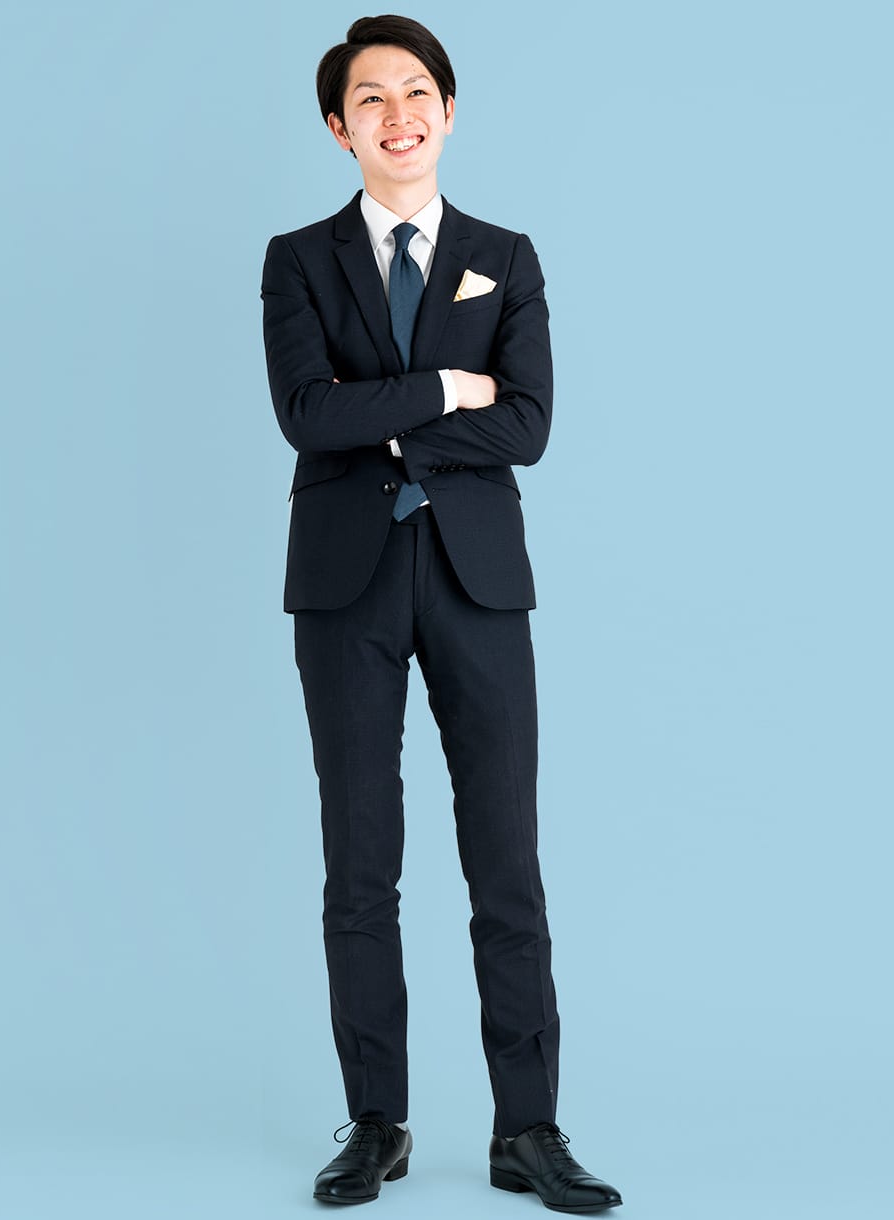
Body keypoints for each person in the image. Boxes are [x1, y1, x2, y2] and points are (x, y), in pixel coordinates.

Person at [258, 14, 622, 1213]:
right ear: (338, 127)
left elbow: (529, 424)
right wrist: (447, 387)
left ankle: (528, 1127)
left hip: (476, 581)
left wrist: (389, 418)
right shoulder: (296, 260)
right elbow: (304, 414)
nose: (397, 114)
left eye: (417, 92)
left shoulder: (504, 256)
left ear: (449, 111)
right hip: (344, 584)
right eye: (370, 98)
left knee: (505, 861)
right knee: (358, 863)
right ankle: (376, 1121)